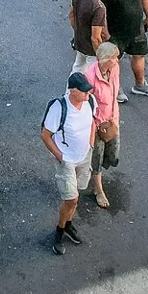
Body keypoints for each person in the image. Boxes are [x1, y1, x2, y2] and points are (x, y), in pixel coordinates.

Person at [41, 73, 97, 255]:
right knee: (71, 199)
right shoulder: (59, 107)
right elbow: (45, 135)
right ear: (73, 91)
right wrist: (60, 156)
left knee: (76, 196)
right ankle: (59, 231)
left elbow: (93, 123)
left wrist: (91, 143)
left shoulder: (90, 102)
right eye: (84, 92)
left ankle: (68, 225)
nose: (88, 94)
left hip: (84, 156)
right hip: (67, 161)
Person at [86, 42, 122, 208]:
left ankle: (93, 174)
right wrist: (96, 126)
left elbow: (114, 94)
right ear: (104, 60)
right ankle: (98, 189)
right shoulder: (89, 76)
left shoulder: (114, 70)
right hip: (97, 124)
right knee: (97, 157)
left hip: (112, 120)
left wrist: (113, 119)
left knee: (113, 155)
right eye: (114, 58)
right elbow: (87, 105)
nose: (117, 61)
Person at [70, 0, 111, 72]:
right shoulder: (99, 7)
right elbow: (95, 38)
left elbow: (71, 15)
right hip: (91, 50)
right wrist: (101, 56)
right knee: (94, 76)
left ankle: (71, 88)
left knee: (77, 70)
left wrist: (78, 33)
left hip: (79, 43)